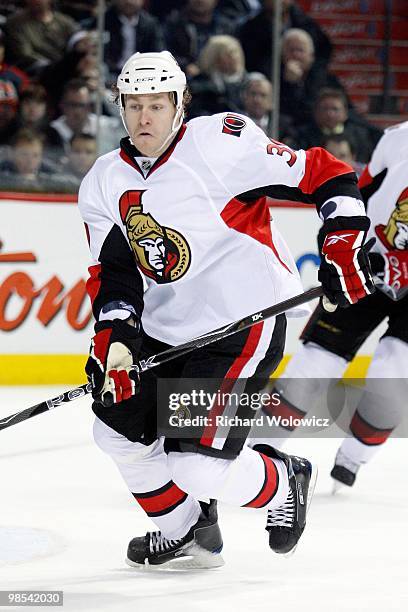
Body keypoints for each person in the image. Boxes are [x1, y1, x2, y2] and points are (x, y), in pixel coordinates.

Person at [78, 50, 374, 568]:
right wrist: (118, 343)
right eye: (133, 104)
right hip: (163, 330)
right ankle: (187, 531)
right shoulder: (104, 180)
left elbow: (325, 173)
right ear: (119, 107)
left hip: (244, 322)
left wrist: (343, 241)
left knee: (198, 467)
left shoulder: (222, 143)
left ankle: (283, 481)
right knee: (114, 431)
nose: (144, 117)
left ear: (180, 104)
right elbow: (115, 275)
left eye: (157, 104)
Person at [248, 123, 408, 490]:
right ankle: (258, 453)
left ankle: (353, 458)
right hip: (369, 263)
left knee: (393, 373)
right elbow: (357, 194)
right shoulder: (397, 138)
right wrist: (348, 246)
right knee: (315, 362)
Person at [237, 0, 332, 77]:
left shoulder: (305, 23)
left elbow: (323, 53)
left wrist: (308, 70)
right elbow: (251, 63)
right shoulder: (251, 29)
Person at [296, 87, 382, 163]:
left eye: (335, 109)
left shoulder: (361, 135)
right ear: (315, 112)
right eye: (325, 108)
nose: (330, 114)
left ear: (345, 113)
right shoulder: (302, 136)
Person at [4, 0, 78, 75]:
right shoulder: (16, 22)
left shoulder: (63, 20)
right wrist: (53, 66)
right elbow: (25, 53)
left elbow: (79, 35)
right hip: (38, 69)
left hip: (67, 64)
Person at [164, 0, 235, 78]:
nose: (200, 0)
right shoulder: (174, 24)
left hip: (220, 78)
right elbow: (165, 52)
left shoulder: (226, 27)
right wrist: (185, 66)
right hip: (184, 78)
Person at [188, 35, 247, 117]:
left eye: (236, 52)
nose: (235, 57)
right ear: (215, 57)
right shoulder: (199, 84)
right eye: (229, 54)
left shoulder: (247, 83)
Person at [239, 71, 295, 143]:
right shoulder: (236, 121)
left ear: (271, 101)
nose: (257, 100)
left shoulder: (283, 126)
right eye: (253, 94)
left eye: (263, 95)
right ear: (245, 97)